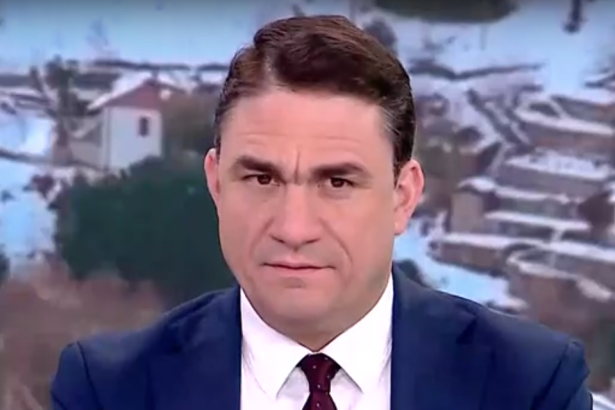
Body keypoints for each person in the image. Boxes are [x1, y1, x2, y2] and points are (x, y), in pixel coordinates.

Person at [51, 15, 591, 410]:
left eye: (337, 182)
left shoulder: (529, 385)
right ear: (216, 182)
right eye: (262, 179)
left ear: (403, 196)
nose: (293, 228)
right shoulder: (109, 390)